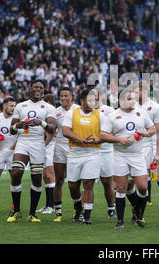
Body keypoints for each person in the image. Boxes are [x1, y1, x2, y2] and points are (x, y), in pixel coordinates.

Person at [100, 88, 156, 229]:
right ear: (121, 101)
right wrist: (120, 140)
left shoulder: (141, 113)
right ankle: (120, 221)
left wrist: (146, 133)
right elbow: (103, 135)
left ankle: (138, 211)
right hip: (120, 155)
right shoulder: (113, 116)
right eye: (129, 98)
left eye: (133, 98)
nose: (133, 101)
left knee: (143, 188)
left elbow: (153, 129)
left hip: (137, 155)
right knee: (121, 188)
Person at [6, 79, 56, 223]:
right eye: (35, 87)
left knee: (36, 178)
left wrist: (42, 122)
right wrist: (18, 126)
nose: (38, 89)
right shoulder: (21, 106)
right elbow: (11, 129)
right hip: (23, 142)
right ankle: (16, 211)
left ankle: (32, 214)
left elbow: (52, 128)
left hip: (38, 144)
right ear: (30, 88)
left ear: (44, 90)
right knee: (15, 172)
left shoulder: (47, 107)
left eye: (41, 87)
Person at [62, 89, 103, 225]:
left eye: (94, 100)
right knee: (73, 186)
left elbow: (104, 134)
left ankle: (87, 215)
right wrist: (81, 140)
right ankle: (78, 206)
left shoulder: (99, 115)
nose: (93, 102)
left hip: (92, 153)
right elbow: (65, 131)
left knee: (88, 184)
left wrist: (97, 140)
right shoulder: (72, 113)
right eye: (90, 100)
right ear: (82, 100)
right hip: (75, 152)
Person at [133, 81, 159, 207]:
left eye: (137, 92)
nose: (134, 94)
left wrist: (158, 153)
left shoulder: (156, 107)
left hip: (153, 143)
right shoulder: (133, 106)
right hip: (137, 144)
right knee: (140, 174)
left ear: (144, 91)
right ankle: (145, 200)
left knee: (155, 174)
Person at [51, 87, 79, 222]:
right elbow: (51, 129)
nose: (63, 98)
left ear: (71, 97)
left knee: (75, 182)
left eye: (66, 96)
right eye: (61, 96)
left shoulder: (78, 110)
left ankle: (77, 209)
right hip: (60, 147)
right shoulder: (56, 112)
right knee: (59, 180)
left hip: (75, 147)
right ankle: (58, 213)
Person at [94, 90, 117, 218]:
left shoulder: (109, 111)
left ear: (100, 95)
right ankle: (82, 211)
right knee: (87, 181)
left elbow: (114, 130)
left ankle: (111, 209)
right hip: (90, 150)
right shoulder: (85, 111)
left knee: (107, 182)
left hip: (106, 150)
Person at [35, 93, 58, 214]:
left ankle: (51, 205)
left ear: (48, 103)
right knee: (45, 176)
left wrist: (43, 145)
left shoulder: (53, 113)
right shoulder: (47, 114)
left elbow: (52, 133)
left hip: (51, 147)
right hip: (46, 146)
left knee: (49, 175)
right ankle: (48, 205)